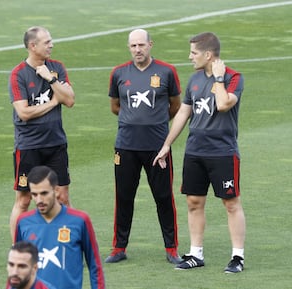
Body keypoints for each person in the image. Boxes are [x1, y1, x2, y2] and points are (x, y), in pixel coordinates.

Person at [153, 32, 246, 273]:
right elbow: (183, 113)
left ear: (208, 54)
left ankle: (237, 257)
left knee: (231, 203)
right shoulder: (194, 80)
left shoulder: (233, 77)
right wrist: (167, 144)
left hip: (223, 152)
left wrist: (218, 79)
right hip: (195, 151)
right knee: (194, 202)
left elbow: (224, 104)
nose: (189, 57)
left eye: (194, 53)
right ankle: (196, 253)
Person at [105, 28, 182, 264]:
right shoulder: (118, 73)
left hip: (158, 148)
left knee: (163, 196)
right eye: (133, 46)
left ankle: (171, 249)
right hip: (126, 147)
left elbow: (176, 106)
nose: (137, 50)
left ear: (150, 45)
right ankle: (119, 248)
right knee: (124, 196)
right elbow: (115, 106)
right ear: (129, 48)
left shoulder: (167, 72)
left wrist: (155, 123)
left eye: (141, 45)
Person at [8, 26, 75, 241]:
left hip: (56, 143)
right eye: (46, 42)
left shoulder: (56, 68)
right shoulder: (18, 74)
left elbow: (70, 100)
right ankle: (18, 249)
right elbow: (24, 112)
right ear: (32, 46)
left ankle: (68, 246)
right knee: (24, 200)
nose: (51, 45)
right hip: (29, 146)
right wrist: (55, 101)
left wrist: (51, 79)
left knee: (62, 197)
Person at [14, 166, 105, 289]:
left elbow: (95, 265)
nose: (39, 200)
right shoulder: (24, 222)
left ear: (56, 190)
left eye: (44, 193)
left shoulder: (79, 221)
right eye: (34, 194)